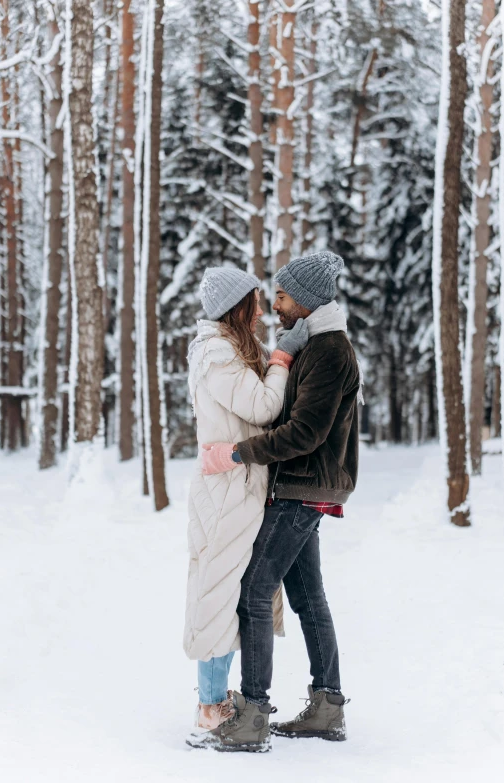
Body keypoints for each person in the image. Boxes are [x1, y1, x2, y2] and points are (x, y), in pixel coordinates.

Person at [194, 251, 361, 753]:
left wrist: (239, 452)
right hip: (301, 484)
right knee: (307, 597)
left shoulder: (329, 350)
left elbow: (305, 431)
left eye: (283, 296)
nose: (276, 305)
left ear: (305, 302)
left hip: (303, 485)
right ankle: (327, 706)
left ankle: (252, 714)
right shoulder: (316, 344)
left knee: (252, 591)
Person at [183, 266, 309, 737]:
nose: (260, 310)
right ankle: (211, 708)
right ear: (234, 307)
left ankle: (214, 702)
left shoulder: (230, 351)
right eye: (253, 302)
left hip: (237, 487)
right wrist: (281, 360)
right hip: (227, 493)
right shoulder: (218, 355)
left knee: (227, 592)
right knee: (217, 593)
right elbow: (262, 408)